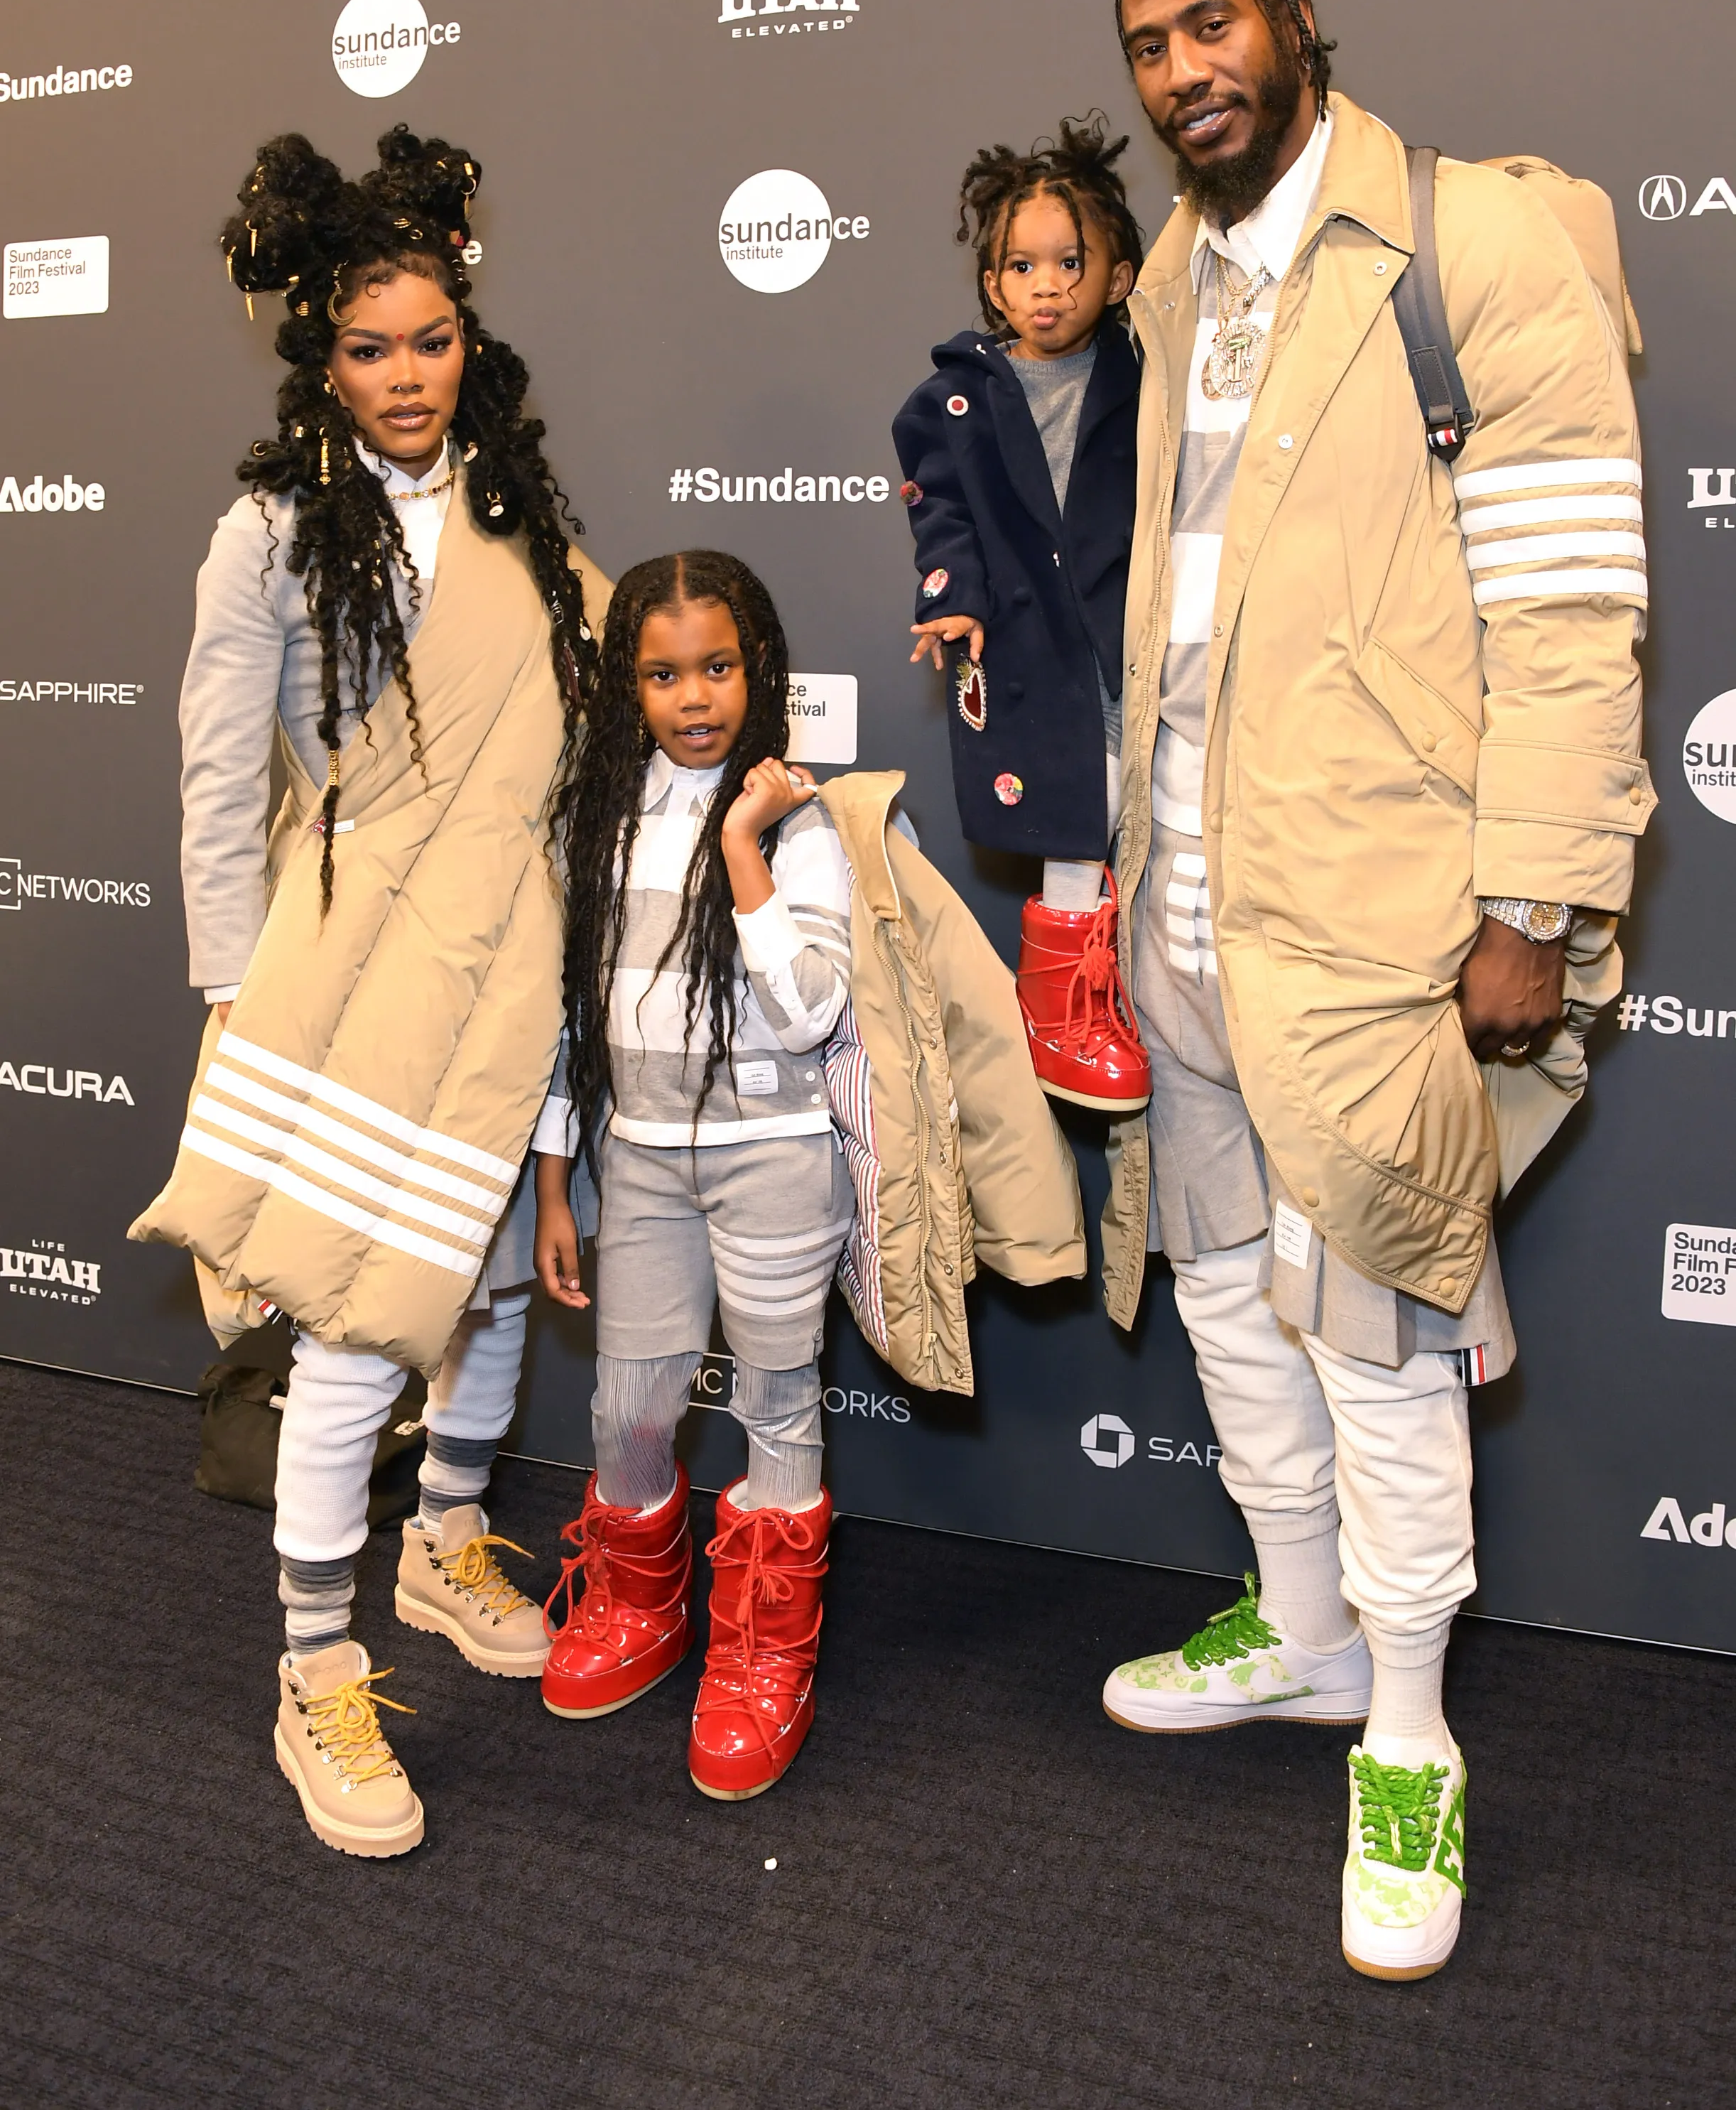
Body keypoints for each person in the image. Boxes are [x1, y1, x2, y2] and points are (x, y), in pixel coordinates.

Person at [1095, 0, 1652, 1978]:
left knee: (1387, 1333)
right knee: (1232, 1293)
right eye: (1145, 40)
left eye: (1210, 22)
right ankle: (1308, 1633)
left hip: (1376, 931)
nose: (1178, 69)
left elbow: (1571, 610)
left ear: (1302, 15)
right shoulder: (1170, 271)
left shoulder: (1476, 244)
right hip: (1183, 911)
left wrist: (1530, 901)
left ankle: (1408, 1736)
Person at [131, 126, 609, 1858]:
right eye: (366, 347)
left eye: (430, 340)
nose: (406, 377)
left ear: (469, 334)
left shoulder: (522, 520)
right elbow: (214, 777)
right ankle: (313, 1664)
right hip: (344, 984)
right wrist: (229, 995)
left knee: (480, 1296)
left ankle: (444, 1536)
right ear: (317, 358)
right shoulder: (263, 532)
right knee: (346, 1328)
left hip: (504, 966)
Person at [531, 549, 855, 1801]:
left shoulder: (802, 819)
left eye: (717, 666)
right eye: (663, 673)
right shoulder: (598, 813)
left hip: (775, 1157)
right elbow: (572, 1017)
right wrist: (558, 1180)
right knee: (629, 1408)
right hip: (643, 1163)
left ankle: (766, 1648)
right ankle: (641, 1601)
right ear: (629, 685)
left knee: (778, 1405)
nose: (695, 696)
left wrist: (744, 845)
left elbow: (816, 1008)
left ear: (757, 666)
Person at [892, 119, 1150, 1112]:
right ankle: (1060, 1003)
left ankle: (1114, 980)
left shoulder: (1148, 376)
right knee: (1076, 810)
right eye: (1021, 265)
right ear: (994, 284)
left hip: (1133, 630)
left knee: (1138, 796)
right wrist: (952, 603)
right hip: (1028, 639)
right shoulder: (951, 400)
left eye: (1070, 262)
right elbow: (941, 517)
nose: (1047, 285)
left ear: (1119, 277)